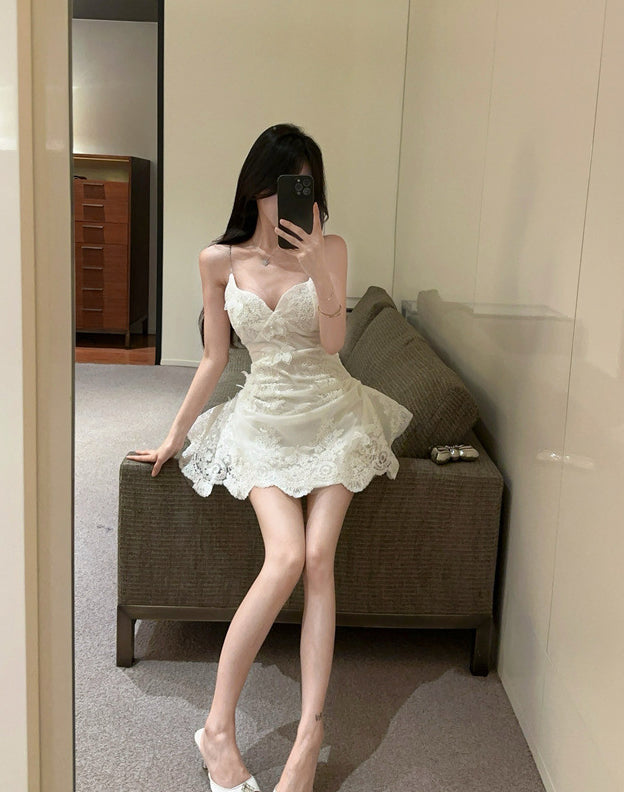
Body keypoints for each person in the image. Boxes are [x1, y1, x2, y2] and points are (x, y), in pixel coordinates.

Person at [126, 123, 413, 792]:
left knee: (319, 557)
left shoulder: (330, 248)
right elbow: (214, 357)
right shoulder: (217, 261)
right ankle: (216, 730)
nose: (293, 199)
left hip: (335, 413)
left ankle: (309, 736)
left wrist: (318, 269)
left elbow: (335, 344)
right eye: (283, 184)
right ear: (256, 188)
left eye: (305, 186)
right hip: (262, 419)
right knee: (284, 557)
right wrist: (174, 434)